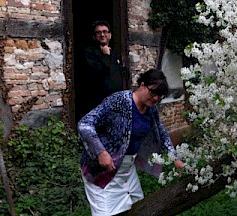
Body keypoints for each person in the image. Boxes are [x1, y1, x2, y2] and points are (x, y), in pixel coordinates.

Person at [77, 69, 185, 216]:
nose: (155, 99)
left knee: (137, 209)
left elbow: (161, 133)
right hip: (102, 172)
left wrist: (175, 158)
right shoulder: (119, 101)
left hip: (127, 170)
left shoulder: (151, 109)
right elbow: (85, 125)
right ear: (142, 85)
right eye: (152, 92)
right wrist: (101, 152)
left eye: (159, 96)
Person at [82, 20, 125, 114]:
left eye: (105, 31)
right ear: (94, 36)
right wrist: (105, 56)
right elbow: (98, 73)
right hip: (98, 102)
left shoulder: (115, 52)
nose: (102, 35)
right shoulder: (89, 52)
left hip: (117, 101)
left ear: (110, 35)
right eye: (98, 32)